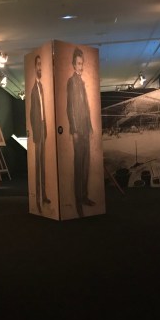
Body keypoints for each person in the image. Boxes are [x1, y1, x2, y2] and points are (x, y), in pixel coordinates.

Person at [67, 47, 95, 217]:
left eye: (82, 63)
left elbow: (86, 108)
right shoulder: (71, 82)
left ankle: (84, 196)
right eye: (78, 63)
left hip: (85, 129)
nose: (81, 66)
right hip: (78, 130)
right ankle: (78, 200)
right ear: (73, 64)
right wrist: (75, 130)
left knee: (85, 165)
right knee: (78, 166)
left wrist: (90, 127)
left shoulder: (82, 82)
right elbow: (70, 108)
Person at [29, 54, 50, 213]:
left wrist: (44, 127)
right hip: (38, 130)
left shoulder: (41, 87)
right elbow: (32, 113)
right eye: (38, 64)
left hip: (43, 127)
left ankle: (44, 196)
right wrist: (36, 131)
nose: (40, 67)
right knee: (37, 166)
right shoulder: (33, 90)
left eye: (41, 65)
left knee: (43, 164)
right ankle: (37, 199)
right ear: (34, 67)